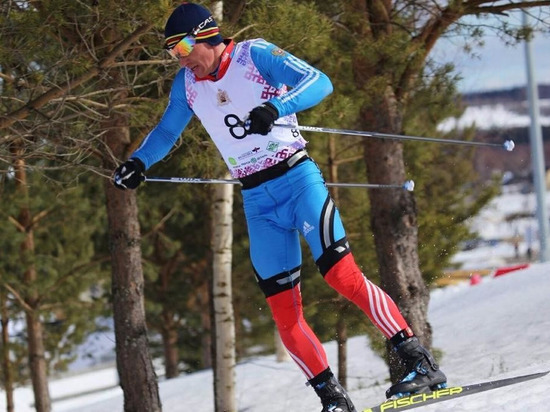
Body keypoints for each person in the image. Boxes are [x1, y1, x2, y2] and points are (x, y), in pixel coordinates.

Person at [113, 3, 446, 411]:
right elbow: (166, 131)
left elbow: (319, 82)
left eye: (180, 49)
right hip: (257, 200)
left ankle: (419, 361)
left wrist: (276, 107)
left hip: (296, 179)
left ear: (204, 35)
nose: (178, 60)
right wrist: (137, 161)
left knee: (342, 276)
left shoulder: (255, 55)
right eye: (171, 54)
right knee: (285, 314)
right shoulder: (187, 85)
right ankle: (333, 399)